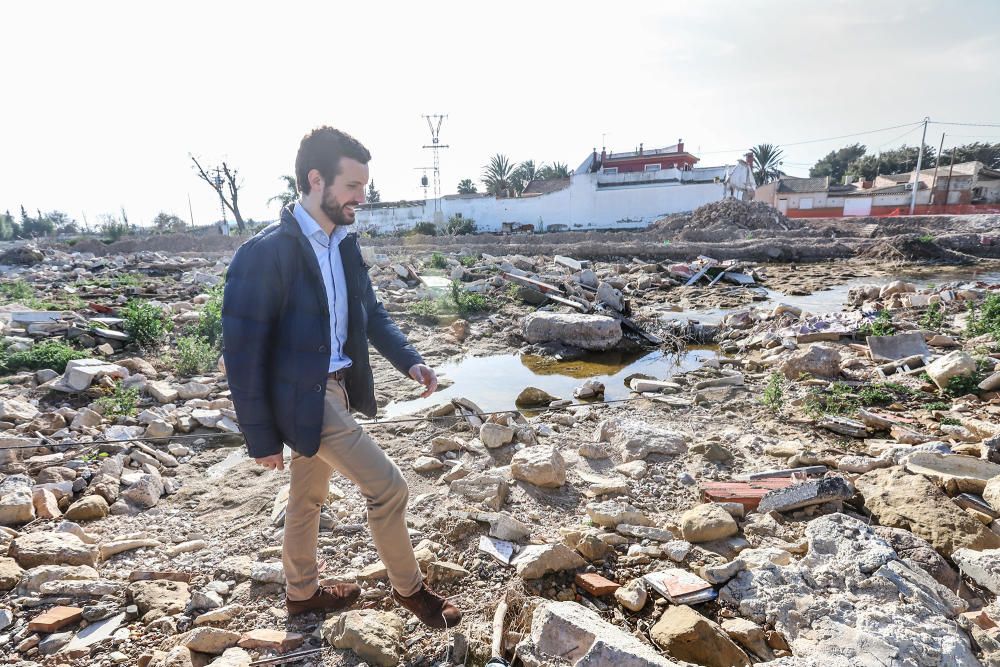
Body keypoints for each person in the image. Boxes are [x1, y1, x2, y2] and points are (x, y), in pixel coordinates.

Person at [222, 126, 462, 629]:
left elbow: (371, 314)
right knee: (389, 488)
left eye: (364, 187)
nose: (362, 198)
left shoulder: (344, 245)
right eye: (353, 186)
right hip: (302, 398)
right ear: (316, 180)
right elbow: (242, 352)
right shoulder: (264, 254)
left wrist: (410, 360)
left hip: (337, 388)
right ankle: (410, 590)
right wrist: (259, 436)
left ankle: (302, 593)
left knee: (306, 497)